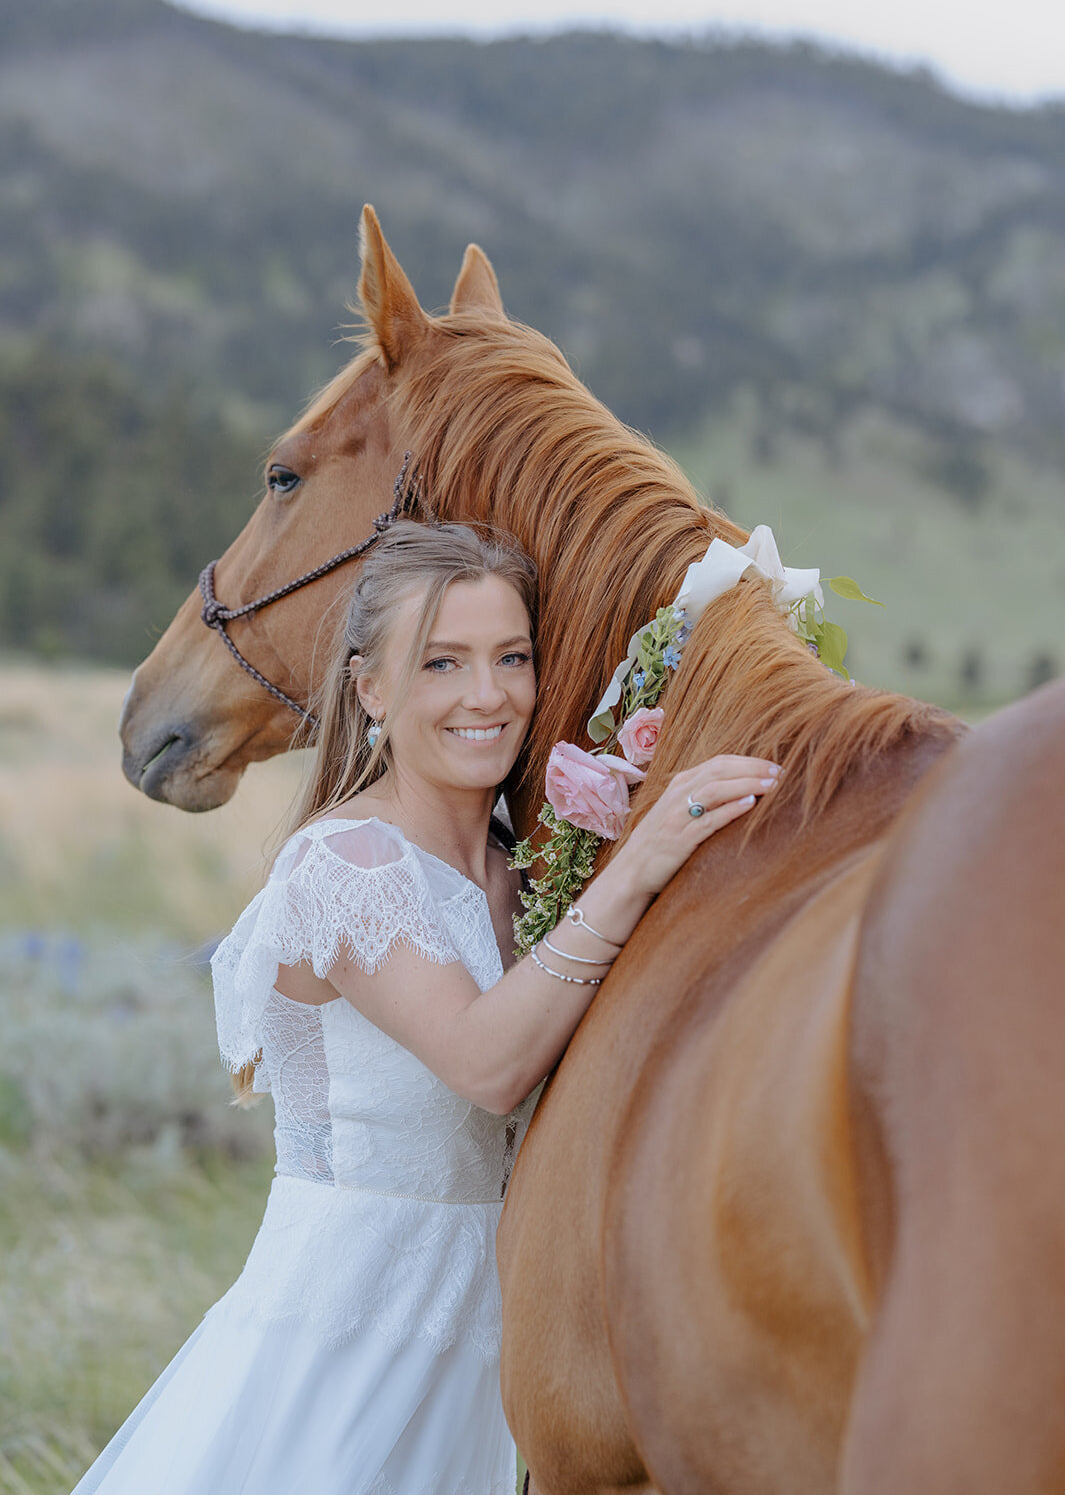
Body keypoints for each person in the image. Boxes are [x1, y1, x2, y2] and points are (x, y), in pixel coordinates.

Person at [72, 520, 779, 1495]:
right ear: (369, 688)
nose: (487, 695)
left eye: (511, 658)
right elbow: (486, 1064)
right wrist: (642, 862)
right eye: (442, 662)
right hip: (350, 1326)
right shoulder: (344, 864)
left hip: (476, 1329)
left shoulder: (512, 866)